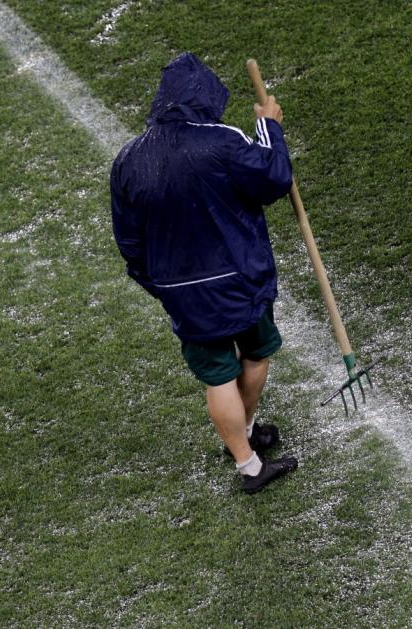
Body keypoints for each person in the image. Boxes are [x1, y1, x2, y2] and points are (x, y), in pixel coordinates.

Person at [110, 52, 298, 493]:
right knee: (256, 352)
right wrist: (269, 125)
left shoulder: (128, 158)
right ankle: (249, 464)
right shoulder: (221, 139)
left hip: (181, 289)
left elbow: (129, 241)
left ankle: (244, 446)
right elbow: (273, 178)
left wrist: (159, 285)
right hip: (240, 278)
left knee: (216, 372)